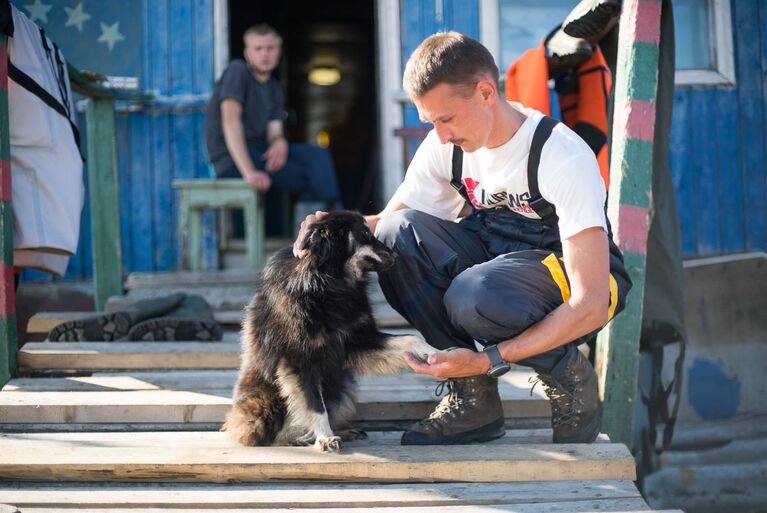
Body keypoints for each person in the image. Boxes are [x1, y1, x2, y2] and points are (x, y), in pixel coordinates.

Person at [294, 32, 632, 446]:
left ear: (485, 92)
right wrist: (327, 228)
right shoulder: (447, 147)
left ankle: (566, 373)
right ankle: (473, 399)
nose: (439, 135)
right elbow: (388, 220)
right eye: (430, 121)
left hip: (571, 275)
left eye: (446, 119)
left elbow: (593, 301)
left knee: (473, 295)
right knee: (393, 235)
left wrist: (486, 359)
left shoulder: (559, 154)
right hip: (498, 259)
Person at [204, 23, 341, 231]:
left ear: (279, 51)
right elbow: (230, 122)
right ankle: (326, 230)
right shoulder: (237, 70)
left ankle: (323, 228)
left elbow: (275, 131)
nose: (265, 54)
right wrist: (249, 172)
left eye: (270, 48)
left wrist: (280, 143)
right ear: (247, 53)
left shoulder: (273, 88)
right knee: (313, 178)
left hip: (260, 154)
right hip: (232, 159)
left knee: (317, 157)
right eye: (258, 49)